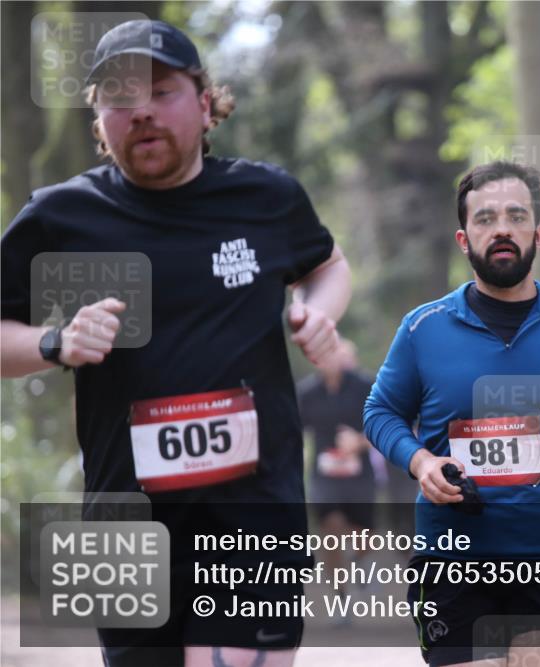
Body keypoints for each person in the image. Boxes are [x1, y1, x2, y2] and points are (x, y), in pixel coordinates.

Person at [0, 19, 350, 667]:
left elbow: (328, 264)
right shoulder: (59, 217)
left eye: (161, 90)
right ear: (97, 119)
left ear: (205, 99)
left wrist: (318, 313)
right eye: (118, 99)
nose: (140, 112)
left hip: (253, 514)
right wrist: (55, 341)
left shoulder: (265, 198)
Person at [363, 160, 540, 667]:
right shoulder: (422, 328)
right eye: (486, 218)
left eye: (516, 216)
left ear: (538, 233)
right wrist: (421, 462)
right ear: (463, 238)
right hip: (454, 557)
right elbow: (380, 411)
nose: (502, 230)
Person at [296, 339, 376, 591]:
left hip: (359, 474)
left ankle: (360, 561)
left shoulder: (365, 386)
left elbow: (385, 426)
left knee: (363, 535)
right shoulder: (307, 392)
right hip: (324, 475)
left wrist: (358, 442)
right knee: (330, 527)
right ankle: (340, 595)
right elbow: (293, 430)